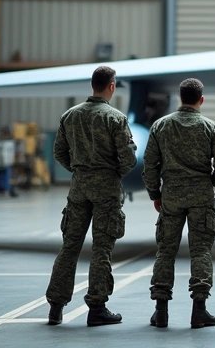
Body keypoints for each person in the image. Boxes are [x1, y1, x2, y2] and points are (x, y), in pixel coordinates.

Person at [46, 66, 137, 327]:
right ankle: (97, 308)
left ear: (92, 85)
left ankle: (55, 306)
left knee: (70, 246)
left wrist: (80, 171)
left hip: (79, 188)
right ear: (111, 86)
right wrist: (112, 173)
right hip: (106, 190)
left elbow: (60, 153)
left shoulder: (70, 116)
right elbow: (129, 157)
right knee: (102, 248)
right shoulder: (115, 118)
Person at [142, 78, 215, 329]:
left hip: (170, 195)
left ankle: (160, 311)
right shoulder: (211, 127)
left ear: (181, 98)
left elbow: (149, 164)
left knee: (166, 250)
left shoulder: (161, 126)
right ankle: (199, 310)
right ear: (200, 100)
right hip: (201, 196)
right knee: (201, 250)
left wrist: (155, 194)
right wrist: (208, 182)